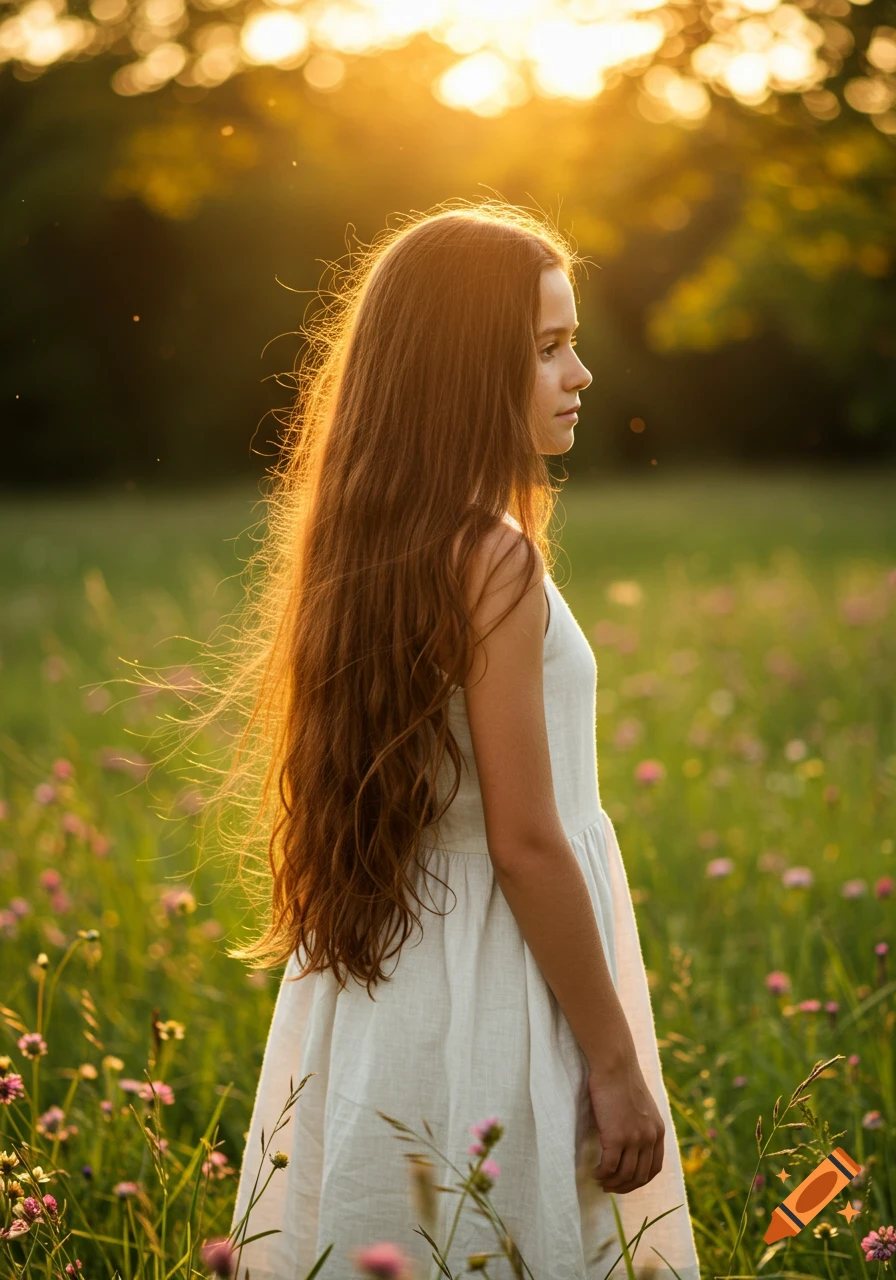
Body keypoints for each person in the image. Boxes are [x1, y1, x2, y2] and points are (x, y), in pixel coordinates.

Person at [220, 200, 702, 1278]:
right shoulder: (491, 559)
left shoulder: (382, 541)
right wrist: (615, 1062)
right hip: (497, 974)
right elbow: (525, 840)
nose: (578, 374)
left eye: (571, 341)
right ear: (458, 373)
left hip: (397, 972)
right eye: (545, 348)